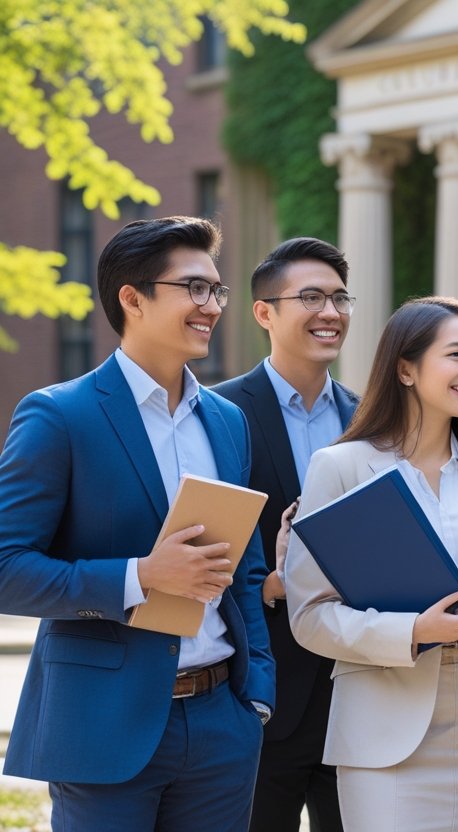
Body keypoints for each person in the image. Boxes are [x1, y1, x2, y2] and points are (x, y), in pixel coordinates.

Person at [0, 216, 275, 830]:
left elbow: (247, 569)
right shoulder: (58, 416)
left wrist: (254, 691)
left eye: (216, 291)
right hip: (102, 728)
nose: (211, 306)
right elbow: (6, 569)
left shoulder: (228, 421)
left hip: (221, 726)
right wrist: (140, 577)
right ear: (133, 298)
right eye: (194, 289)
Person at [284, 297, 458, 832]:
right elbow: (310, 615)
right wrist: (414, 630)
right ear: (405, 368)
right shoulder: (340, 467)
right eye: (457, 355)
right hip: (380, 732)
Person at [213, 237, 358, 832]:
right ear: (264, 312)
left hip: (357, 690)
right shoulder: (220, 414)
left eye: (340, 298)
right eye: (312, 297)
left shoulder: (370, 418)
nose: (331, 312)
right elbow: (205, 549)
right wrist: (272, 584)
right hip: (264, 691)